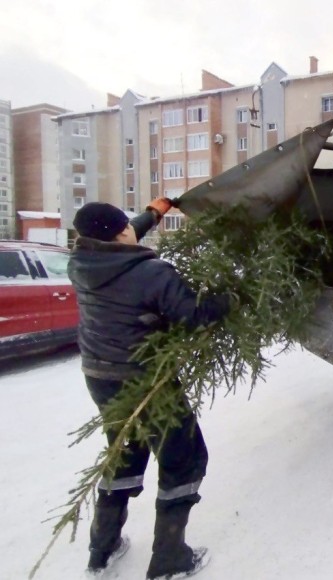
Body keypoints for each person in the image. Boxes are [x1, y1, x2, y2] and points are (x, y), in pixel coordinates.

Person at [68, 199, 231, 579]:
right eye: (127, 225)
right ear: (119, 233)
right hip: (146, 380)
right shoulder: (151, 272)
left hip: (100, 376)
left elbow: (119, 237)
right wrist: (230, 298)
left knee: (123, 451)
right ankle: (169, 559)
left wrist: (153, 214)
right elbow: (194, 315)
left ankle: (101, 549)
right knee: (183, 457)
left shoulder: (83, 262)